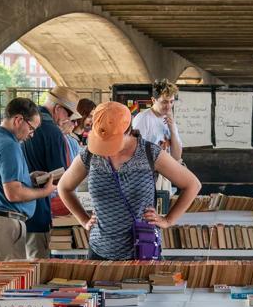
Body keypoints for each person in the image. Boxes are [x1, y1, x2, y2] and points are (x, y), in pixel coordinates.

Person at [56, 101, 200, 260]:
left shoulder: (149, 153)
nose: (107, 149)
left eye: (112, 141)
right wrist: (83, 220)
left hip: (141, 250)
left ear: (128, 131)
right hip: (100, 251)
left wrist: (168, 220)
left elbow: (192, 184)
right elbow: (64, 187)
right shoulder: (91, 154)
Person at [0, 97, 56, 270]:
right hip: (4, 223)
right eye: (32, 128)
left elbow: (0, 179)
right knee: (10, 282)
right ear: (18, 120)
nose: (31, 135)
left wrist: (28, 177)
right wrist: (45, 191)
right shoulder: (9, 145)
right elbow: (14, 193)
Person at [22, 85, 82, 259]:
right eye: (69, 114)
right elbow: (63, 177)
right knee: (38, 267)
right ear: (58, 109)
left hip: (20, 210)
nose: (68, 119)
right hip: (41, 210)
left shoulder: (27, 123)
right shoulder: (52, 131)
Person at [131, 79, 183, 161]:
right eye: (164, 102)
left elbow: (177, 157)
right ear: (153, 100)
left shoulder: (169, 119)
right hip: (151, 171)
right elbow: (134, 153)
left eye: (171, 102)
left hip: (168, 169)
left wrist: (172, 129)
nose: (169, 106)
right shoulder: (143, 119)